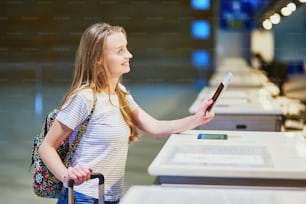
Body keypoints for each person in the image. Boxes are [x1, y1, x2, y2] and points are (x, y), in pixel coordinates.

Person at [38, 22, 215, 204]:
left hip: (110, 197)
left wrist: (197, 118)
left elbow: (154, 127)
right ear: (98, 58)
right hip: (84, 197)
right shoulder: (84, 98)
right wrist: (67, 176)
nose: (129, 55)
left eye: (126, 48)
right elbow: (46, 147)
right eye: (120, 51)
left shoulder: (119, 93)